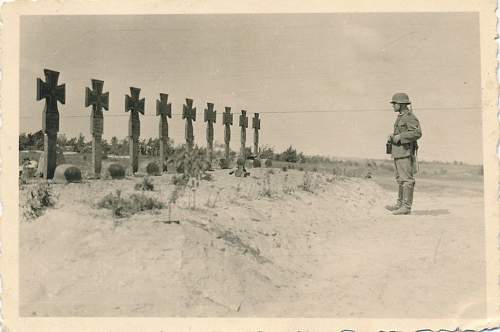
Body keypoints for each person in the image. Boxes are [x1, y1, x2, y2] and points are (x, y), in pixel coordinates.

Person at [385, 92, 422, 215]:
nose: (393, 106)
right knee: (400, 179)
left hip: (405, 152)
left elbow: (417, 133)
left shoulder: (409, 116)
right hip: (398, 152)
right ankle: (400, 204)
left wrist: (400, 137)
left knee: (407, 180)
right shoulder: (401, 116)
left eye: (394, 103)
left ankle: (406, 207)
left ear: (400, 104)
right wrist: (394, 136)